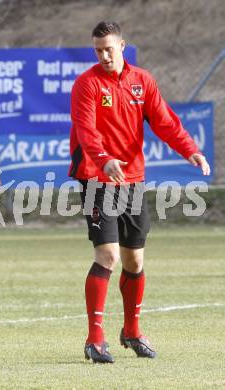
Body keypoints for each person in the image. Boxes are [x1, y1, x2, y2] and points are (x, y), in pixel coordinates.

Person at [69, 21, 210, 364]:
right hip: (95, 177)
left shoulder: (141, 81)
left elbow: (164, 120)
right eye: (98, 50)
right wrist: (103, 161)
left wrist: (189, 149)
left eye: (109, 48)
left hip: (131, 179)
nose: (104, 55)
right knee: (109, 256)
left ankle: (131, 331)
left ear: (122, 46)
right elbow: (86, 132)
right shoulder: (86, 84)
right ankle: (94, 338)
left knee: (135, 260)